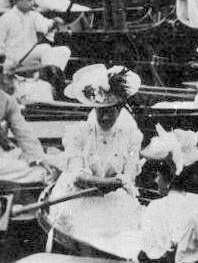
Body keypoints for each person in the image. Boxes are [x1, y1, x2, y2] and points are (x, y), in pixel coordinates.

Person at [52, 65, 144, 231]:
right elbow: (78, 176)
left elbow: (129, 177)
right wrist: (113, 182)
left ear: (120, 109)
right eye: (100, 111)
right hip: (79, 197)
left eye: (110, 111)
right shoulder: (78, 133)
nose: (105, 116)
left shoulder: (131, 135)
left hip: (113, 200)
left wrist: (117, 183)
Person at [139, 126, 198, 262]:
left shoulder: (157, 207)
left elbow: (150, 252)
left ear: (169, 178)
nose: (156, 180)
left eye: (158, 175)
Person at [0, 0, 72, 72]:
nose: (33, 3)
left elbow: (46, 24)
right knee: (45, 48)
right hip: (13, 57)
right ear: (18, 1)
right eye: (29, 0)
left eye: (33, 0)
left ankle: (52, 76)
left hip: (29, 54)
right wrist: (5, 63)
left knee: (64, 51)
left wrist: (54, 21)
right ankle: (47, 75)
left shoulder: (33, 15)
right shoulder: (6, 18)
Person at [0, 84, 51, 183]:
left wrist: (38, 158)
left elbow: (24, 134)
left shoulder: (5, 99)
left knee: (49, 165)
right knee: (38, 172)